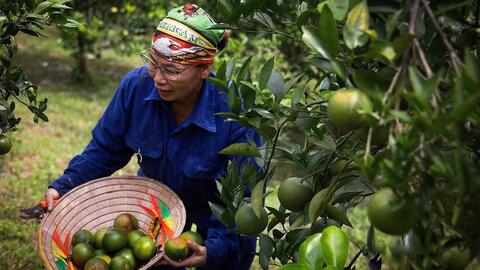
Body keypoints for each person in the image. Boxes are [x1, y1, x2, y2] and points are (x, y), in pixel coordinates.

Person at [44, 3, 262, 270]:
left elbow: (241, 201)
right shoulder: (136, 87)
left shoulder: (236, 115)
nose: (158, 78)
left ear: (205, 69)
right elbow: (105, 148)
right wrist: (64, 185)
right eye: (153, 64)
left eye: (171, 70)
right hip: (157, 218)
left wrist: (213, 251)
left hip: (218, 223)